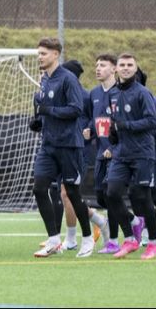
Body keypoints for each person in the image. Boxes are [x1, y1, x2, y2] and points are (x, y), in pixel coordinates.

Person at [30, 38, 94, 258]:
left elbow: (76, 109)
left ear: (56, 54)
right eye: (39, 53)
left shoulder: (68, 79)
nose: (40, 57)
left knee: (73, 194)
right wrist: (38, 121)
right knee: (39, 188)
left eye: (44, 53)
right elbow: (43, 110)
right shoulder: (44, 80)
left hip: (69, 145)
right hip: (48, 145)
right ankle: (54, 240)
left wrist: (50, 111)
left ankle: (87, 238)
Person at [105, 53, 156, 260]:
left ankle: (153, 243)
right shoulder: (112, 94)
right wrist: (113, 132)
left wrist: (125, 126)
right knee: (111, 193)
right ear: (116, 69)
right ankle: (130, 238)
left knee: (141, 196)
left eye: (130, 65)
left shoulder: (142, 93)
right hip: (121, 153)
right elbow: (115, 120)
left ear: (136, 69)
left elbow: (151, 121)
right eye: (122, 65)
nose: (126, 68)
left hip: (142, 153)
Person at [86, 54, 127, 254]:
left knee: (112, 195)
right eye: (96, 65)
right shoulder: (93, 94)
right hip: (101, 152)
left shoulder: (121, 93)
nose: (98, 68)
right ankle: (134, 220)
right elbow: (92, 120)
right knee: (102, 197)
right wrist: (89, 130)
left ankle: (113, 241)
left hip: (118, 153)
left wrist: (114, 147)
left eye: (103, 65)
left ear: (114, 70)